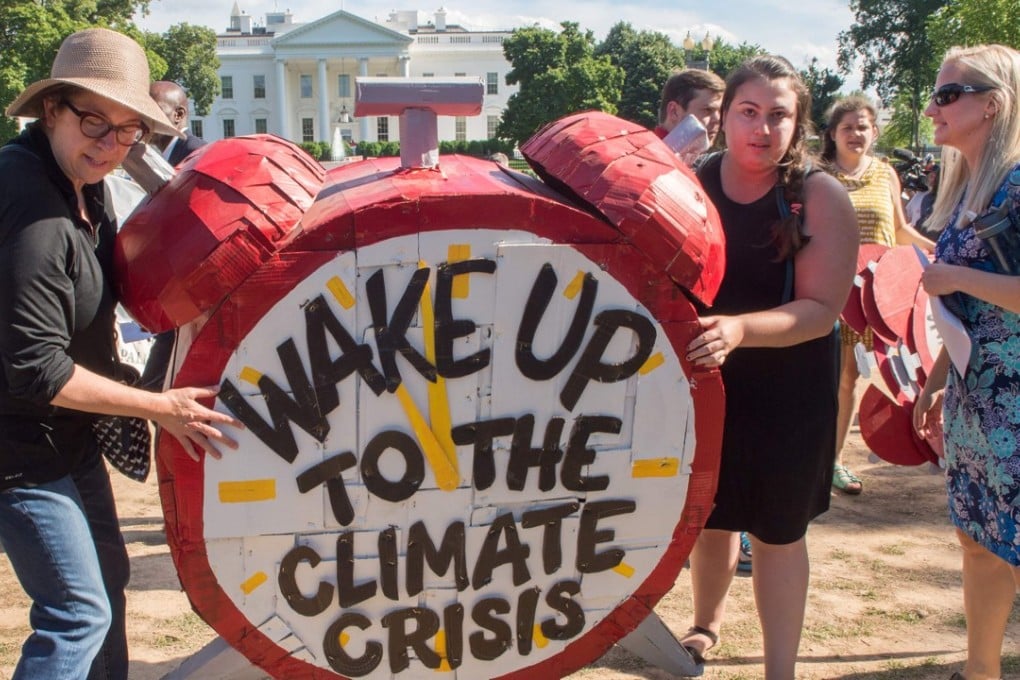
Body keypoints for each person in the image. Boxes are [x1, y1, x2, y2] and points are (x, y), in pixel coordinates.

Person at [0, 28, 240, 679]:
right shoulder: (32, 209)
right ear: (51, 109)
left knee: (106, 584)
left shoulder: (85, 185)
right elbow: (34, 368)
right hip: (19, 446)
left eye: (128, 131)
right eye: (94, 123)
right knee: (76, 613)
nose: (109, 146)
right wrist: (157, 406)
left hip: (66, 436)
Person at [681, 55, 857, 679]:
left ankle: (779, 669)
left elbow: (819, 311)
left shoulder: (819, 195)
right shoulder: (691, 182)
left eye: (778, 115)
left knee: (780, 533)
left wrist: (738, 329)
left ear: (798, 125)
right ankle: (704, 626)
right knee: (712, 515)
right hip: (710, 379)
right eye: (748, 113)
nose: (762, 128)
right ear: (724, 117)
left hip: (792, 389)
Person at [913, 43, 1020, 680]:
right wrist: (935, 383)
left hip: (1014, 401)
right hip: (977, 397)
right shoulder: (967, 191)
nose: (932, 108)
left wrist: (954, 273)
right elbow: (960, 309)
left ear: (993, 103)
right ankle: (980, 671)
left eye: (948, 95)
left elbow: (963, 285)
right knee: (978, 539)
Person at [820, 95, 936, 495]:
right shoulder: (818, 176)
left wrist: (934, 253)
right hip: (827, 292)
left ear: (875, 132)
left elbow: (900, 230)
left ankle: (833, 463)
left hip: (872, 298)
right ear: (833, 133)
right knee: (820, 377)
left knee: (850, 378)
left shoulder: (887, 174)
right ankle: (807, 461)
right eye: (848, 127)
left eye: (863, 126)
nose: (856, 134)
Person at [140, 81, 208, 390]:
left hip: (191, 290)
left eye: (152, 112)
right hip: (171, 290)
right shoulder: (145, 156)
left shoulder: (197, 156)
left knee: (155, 383)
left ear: (179, 114)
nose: (142, 120)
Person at [655, 68, 725, 144]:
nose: (718, 119)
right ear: (674, 111)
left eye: (720, 111)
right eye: (707, 110)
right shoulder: (648, 153)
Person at [148, 80, 206, 166]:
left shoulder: (195, 152)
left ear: (179, 114)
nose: (145, 117)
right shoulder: (169, 153)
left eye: (154, 110)